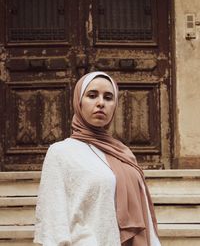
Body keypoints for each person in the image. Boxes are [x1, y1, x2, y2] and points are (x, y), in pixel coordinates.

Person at [34, 71, 161, 246]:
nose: (101, 103)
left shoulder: (123, 153)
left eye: (108, 97)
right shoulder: (61, 152)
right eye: (92, 95)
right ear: (79, 101)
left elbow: (143, 214)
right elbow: (52, 218)